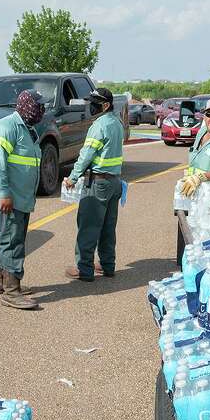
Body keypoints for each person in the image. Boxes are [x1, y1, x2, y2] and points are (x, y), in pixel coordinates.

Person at [0, 90, 44, 310]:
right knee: (12, 241)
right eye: (38, 106)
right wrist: (4, 193)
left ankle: (1, 282)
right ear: (27, 105)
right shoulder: (7, 127)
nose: (41, 110)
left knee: (8, 238)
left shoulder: (27, 129)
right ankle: (12, 291)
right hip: (8, 197)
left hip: (19, 196)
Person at [64, 88, 125, 282]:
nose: (91, 106)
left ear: (105, 105)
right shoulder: (117, 123)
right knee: (108, 227)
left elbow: (87, 154)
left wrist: (72, 178)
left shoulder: (99, 126)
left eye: (94, 102)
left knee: (89, 226)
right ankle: (108, 265)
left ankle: (84, 269)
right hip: (114, 182)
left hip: (98, 183)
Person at [179, 97, 210, 196]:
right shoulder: (202, 131)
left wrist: (200, 177)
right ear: (204, 117)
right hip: (193, 191)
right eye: (209, 114)